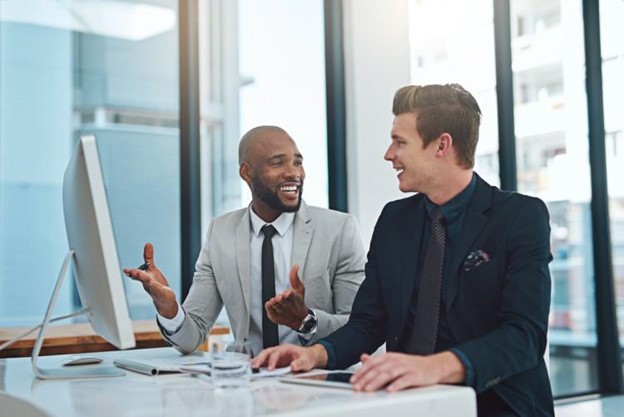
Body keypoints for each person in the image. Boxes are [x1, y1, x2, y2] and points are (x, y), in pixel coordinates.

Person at [252, 84, 554, 416]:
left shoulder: (519, 217)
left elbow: (524, 335)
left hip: (495, 404)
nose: (388, 154)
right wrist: (315, 355)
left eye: (400, 142)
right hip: (405, 403)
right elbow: (369, 322)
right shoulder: (395, 220)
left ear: (442, 144)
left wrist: (433, 368)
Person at [124, 126, 366, 357]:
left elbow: (360, 328)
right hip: (247, 381)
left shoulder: (339, 229)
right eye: (277, 162)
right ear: (246, 172)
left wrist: (305, 320)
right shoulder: (220, 232)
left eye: (297, 162)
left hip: (315, 381)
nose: (294, 172)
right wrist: (170, 309)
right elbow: (191, 336)